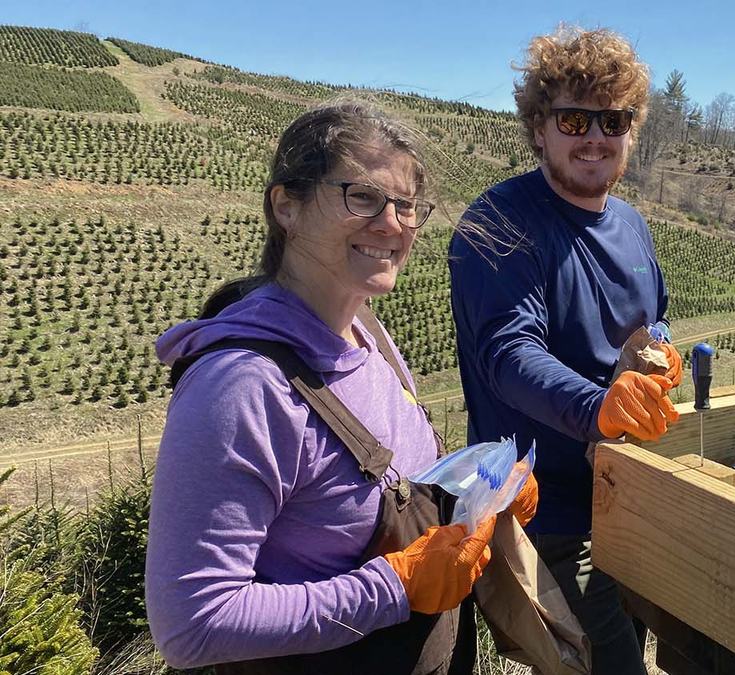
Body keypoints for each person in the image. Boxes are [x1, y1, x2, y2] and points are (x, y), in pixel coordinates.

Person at [145, 99, 536, 674]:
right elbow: (193, 624)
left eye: (406, 205)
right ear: (287, 207)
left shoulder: (366, 334)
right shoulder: (242, 389)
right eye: (363, 197)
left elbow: (392, 480)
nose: (392, 224)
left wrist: (480, 490)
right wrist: (395, 588)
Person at [448, 26, 681, 675]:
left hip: (627, 496)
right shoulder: (500, 222)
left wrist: (659, 348)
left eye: (614, 119)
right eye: (575, 117)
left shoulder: (631, 224)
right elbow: (507, 352)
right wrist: (599, 407)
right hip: (547, 516)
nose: (595, 137)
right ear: (538, 127)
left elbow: (650, 317)